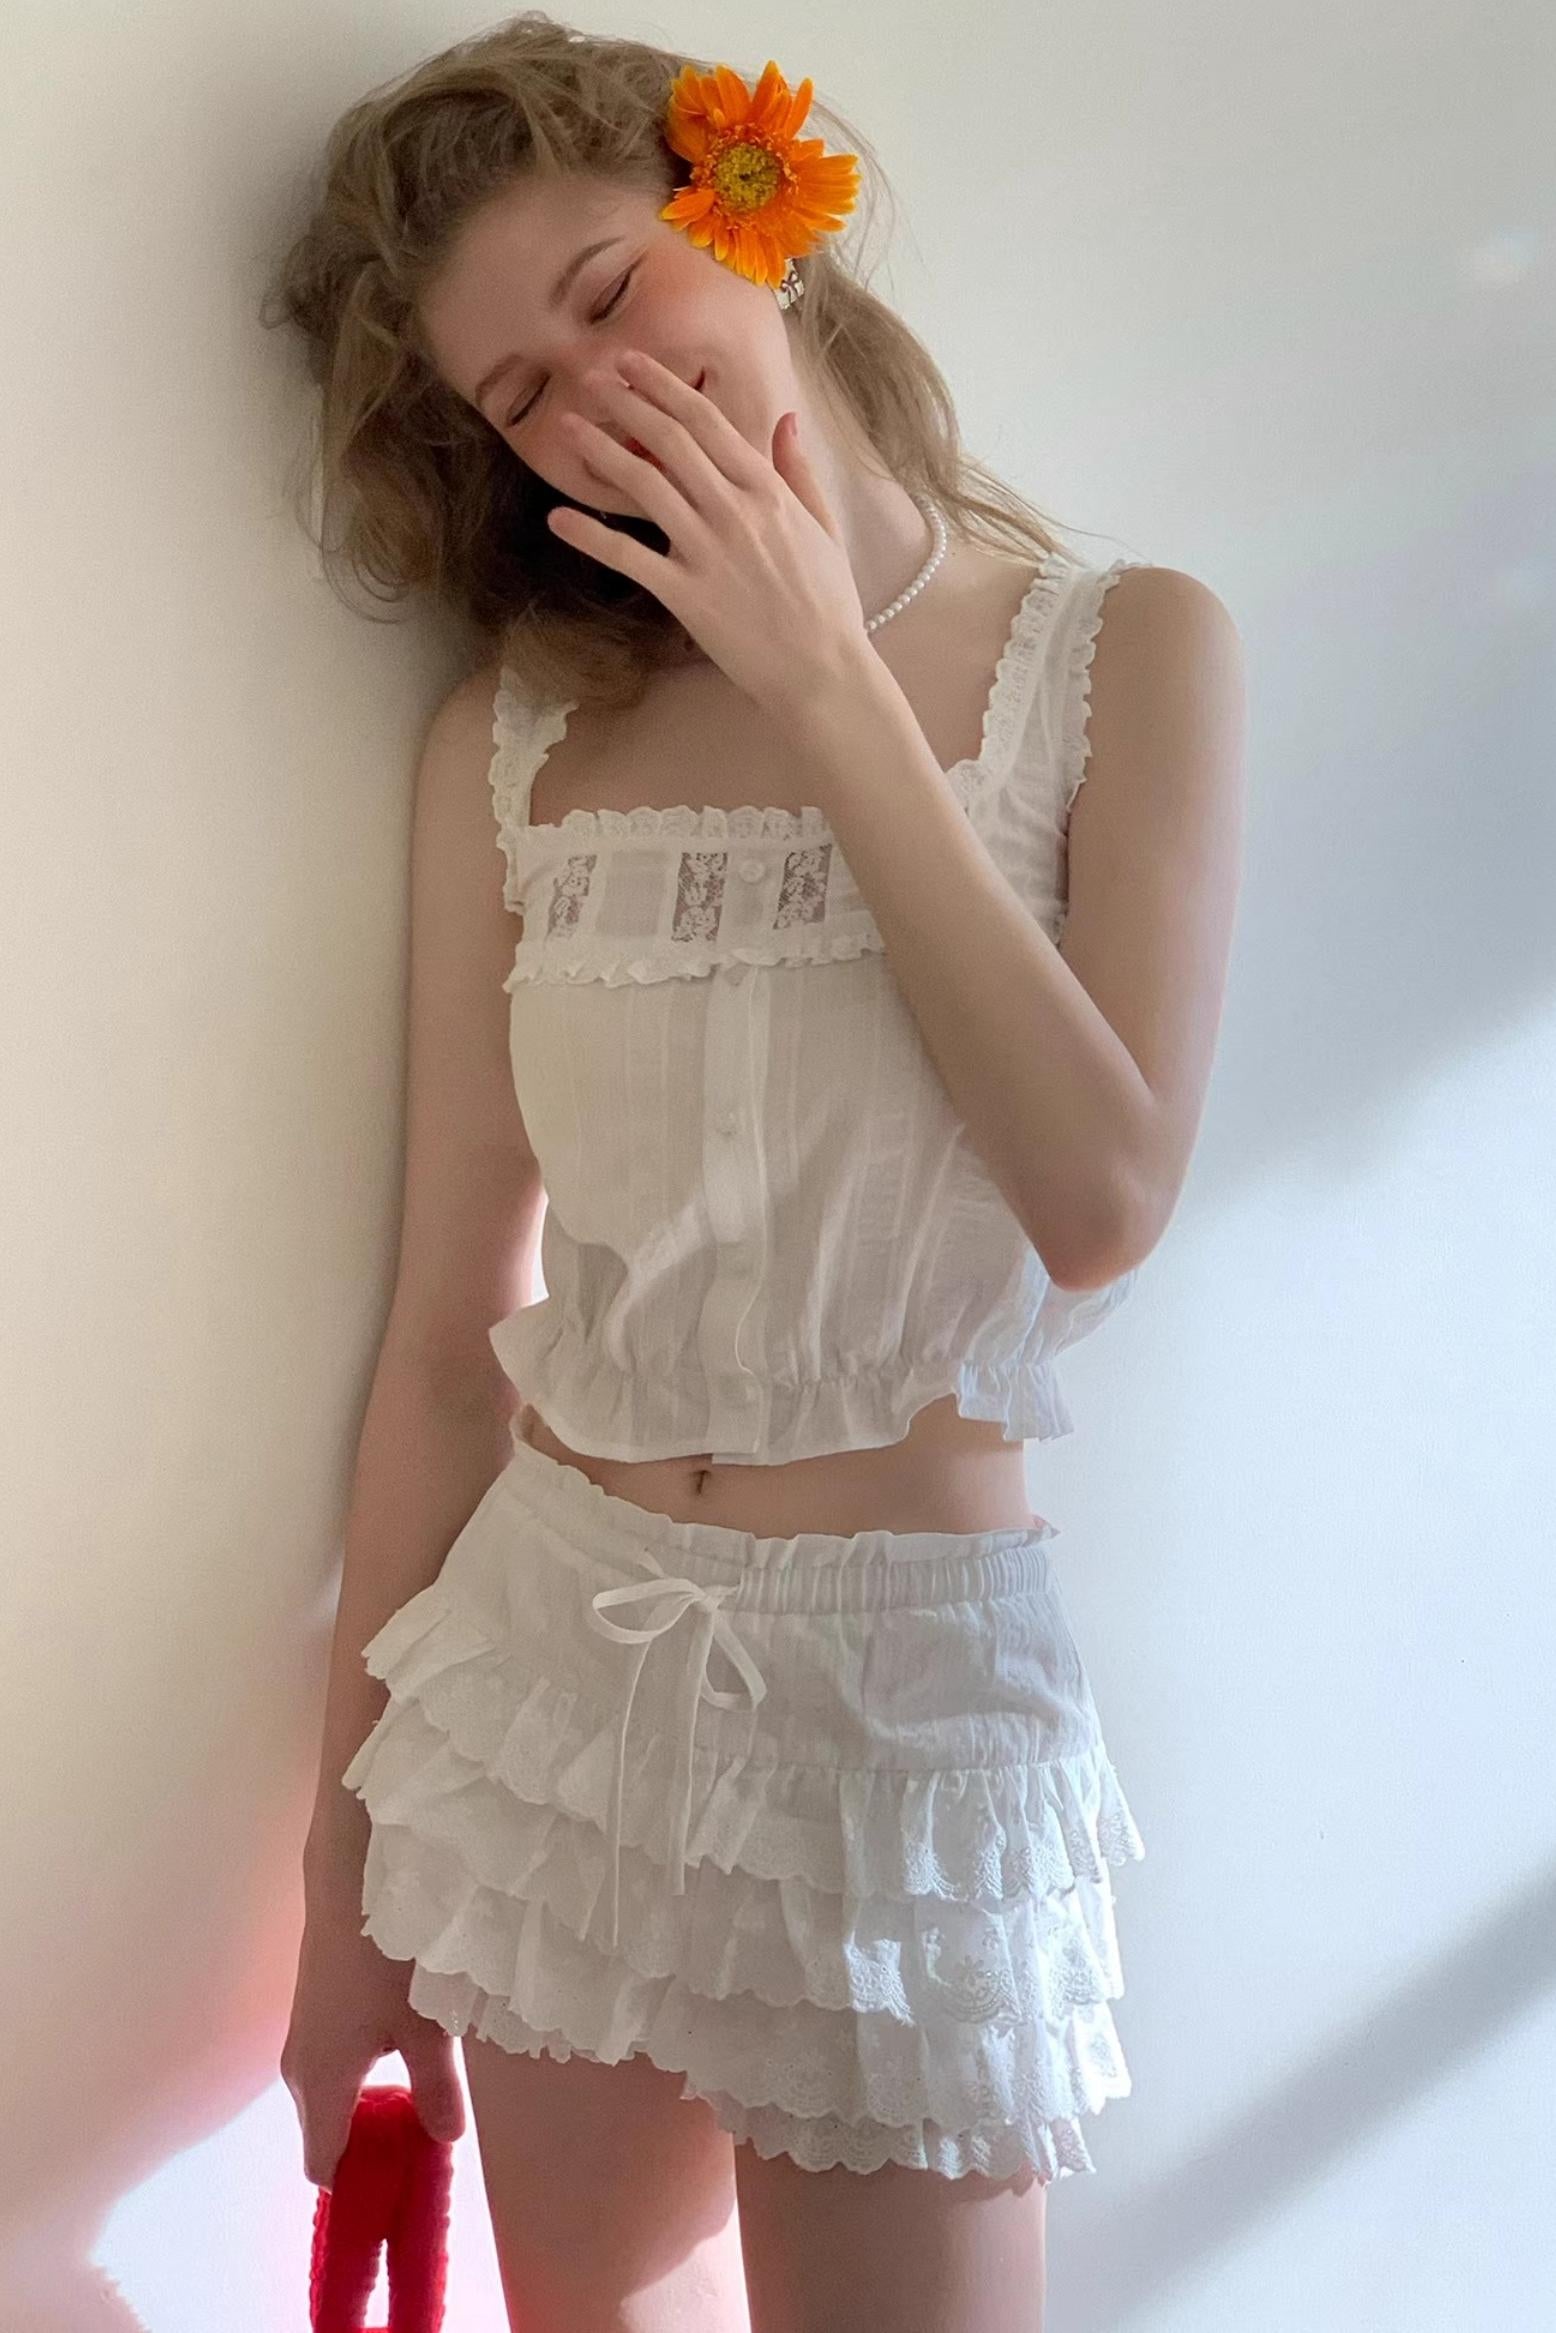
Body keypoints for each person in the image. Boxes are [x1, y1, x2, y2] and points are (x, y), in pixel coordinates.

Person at [265, 17, 1246, 2331]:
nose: (602, 395)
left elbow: (1100, 1198)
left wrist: (820, 676)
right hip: (552, 1671)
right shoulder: (515, 739)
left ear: (749, 215)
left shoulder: (1123, 652)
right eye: (523, 394)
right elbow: (447, 1346)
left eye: (609, 294)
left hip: (902, 1711)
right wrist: (340, 1903)